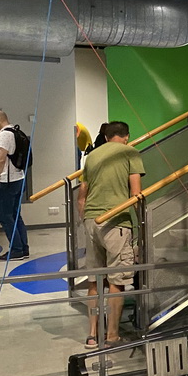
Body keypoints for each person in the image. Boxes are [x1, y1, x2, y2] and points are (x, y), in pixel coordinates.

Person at [77, 121, 145, 349]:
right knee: (117, 281)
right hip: (116, 222)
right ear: (126, 137)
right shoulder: (130, 152)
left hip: (91, 221)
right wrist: (142, 226)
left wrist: (85, 220)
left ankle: (92, 334)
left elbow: (82, 195)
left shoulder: (93, 156)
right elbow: (136, 194)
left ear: (106, 137)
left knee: (95, 280)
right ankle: (112, 335)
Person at [0, 109, 30, 261]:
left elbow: (1, 159)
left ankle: (17, 250)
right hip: (19, 178)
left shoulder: (4, 135)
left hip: (7, 181)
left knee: (5, 217)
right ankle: (23, 248)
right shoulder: (15, 132)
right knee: (15, 216)